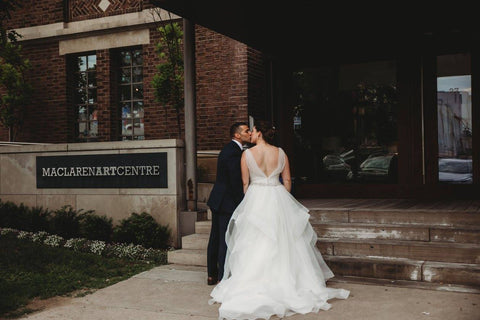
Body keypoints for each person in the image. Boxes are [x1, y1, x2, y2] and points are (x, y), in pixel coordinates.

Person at [209, 121, 349, 319]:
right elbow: (288, 181)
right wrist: (282, 199)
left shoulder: (247, 155)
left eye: (254, 130)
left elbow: (245, 183)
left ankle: (256, 281)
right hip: (278, 196)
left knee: (255, 241)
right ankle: (289, 282)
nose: (252, 133)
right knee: (285, 241)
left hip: (256, 197)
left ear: (258, 133)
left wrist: (251, 202)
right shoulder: (281, 153)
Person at [206, 122, 252, 285]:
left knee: (215, 238)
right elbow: (235, 181)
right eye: (247, 130)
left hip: (218, 199)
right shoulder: (233, 152)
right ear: (237, 135)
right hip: (226, 201)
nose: (250, 132)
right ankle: (221, 277)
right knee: (225, 238)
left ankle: (212, 274)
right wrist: (243, 203)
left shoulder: (229, 150)